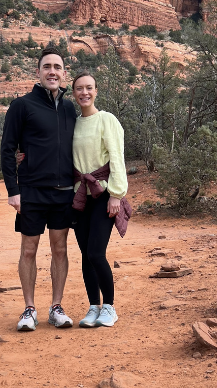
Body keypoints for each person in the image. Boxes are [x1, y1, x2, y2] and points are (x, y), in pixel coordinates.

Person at [1, 46, 77, 331]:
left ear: (63, 73)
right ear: (38, 72)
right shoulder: (22, 105)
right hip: (31, 190)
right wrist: (13, 190)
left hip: (63, 192)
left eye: (57, 67)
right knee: (29, 250)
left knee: (60, 249)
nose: (52, 72)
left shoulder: (70, 108)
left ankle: (56, 307)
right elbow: (8, 148)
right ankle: (29, 309)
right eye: (47, 67)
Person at [71, 70, 131, 328]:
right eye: (79, 88)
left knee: (96, 252)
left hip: (104, 193)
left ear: (96, 91)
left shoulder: (107, 120)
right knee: (85, 254)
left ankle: (109, 307)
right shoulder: (73, 123)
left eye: (89, 88)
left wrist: (117, 195)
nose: (84, 92)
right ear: (73, 94)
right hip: (79, 196)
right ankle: (93, 306)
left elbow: (117, 157)